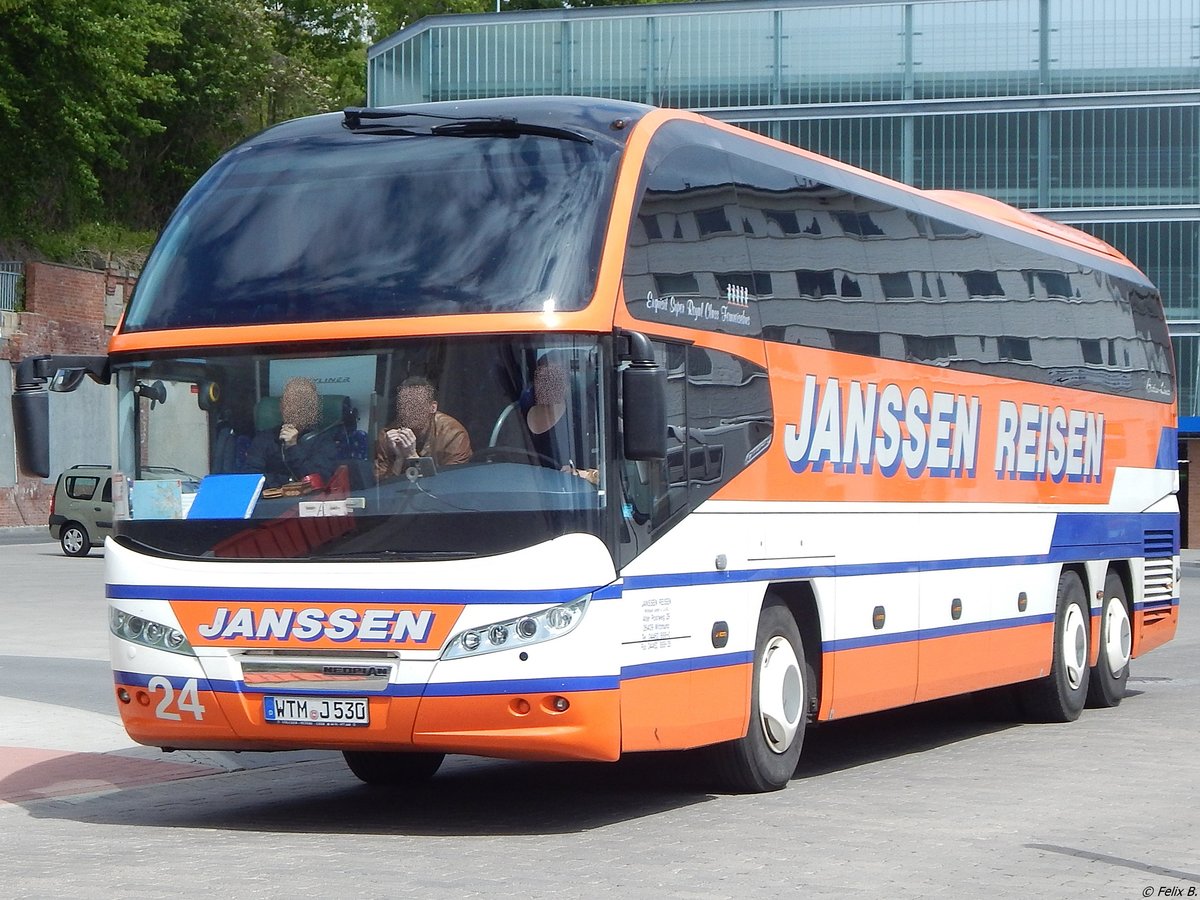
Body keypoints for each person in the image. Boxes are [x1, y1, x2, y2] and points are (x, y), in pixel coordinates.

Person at [244, 377, 340, 489]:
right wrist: (288, 482)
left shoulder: (323, 441)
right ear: (282, 406)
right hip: (271, 501)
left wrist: (292, 447)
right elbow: (251, 477)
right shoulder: (264, 439)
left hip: (308, 503)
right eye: (290, 402)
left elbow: (318, 480)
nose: (295, 409)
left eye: (303, 403)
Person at [374, 376, 472, 479]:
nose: (408, 412)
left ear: (432, 407)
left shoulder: (453, 436)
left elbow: (451, 483)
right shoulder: (388, 436)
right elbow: (380, 488)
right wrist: (399, 459)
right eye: (403, 405)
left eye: (416, 405)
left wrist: (412, 456)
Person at [523, 355, 598, 485]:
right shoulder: (513, 417)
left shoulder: (583, 421)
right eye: (542, 379)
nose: (547, 386)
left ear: (567, 385)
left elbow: (604, 474)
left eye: (554, 379)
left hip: (570, 498)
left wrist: (578, 473)